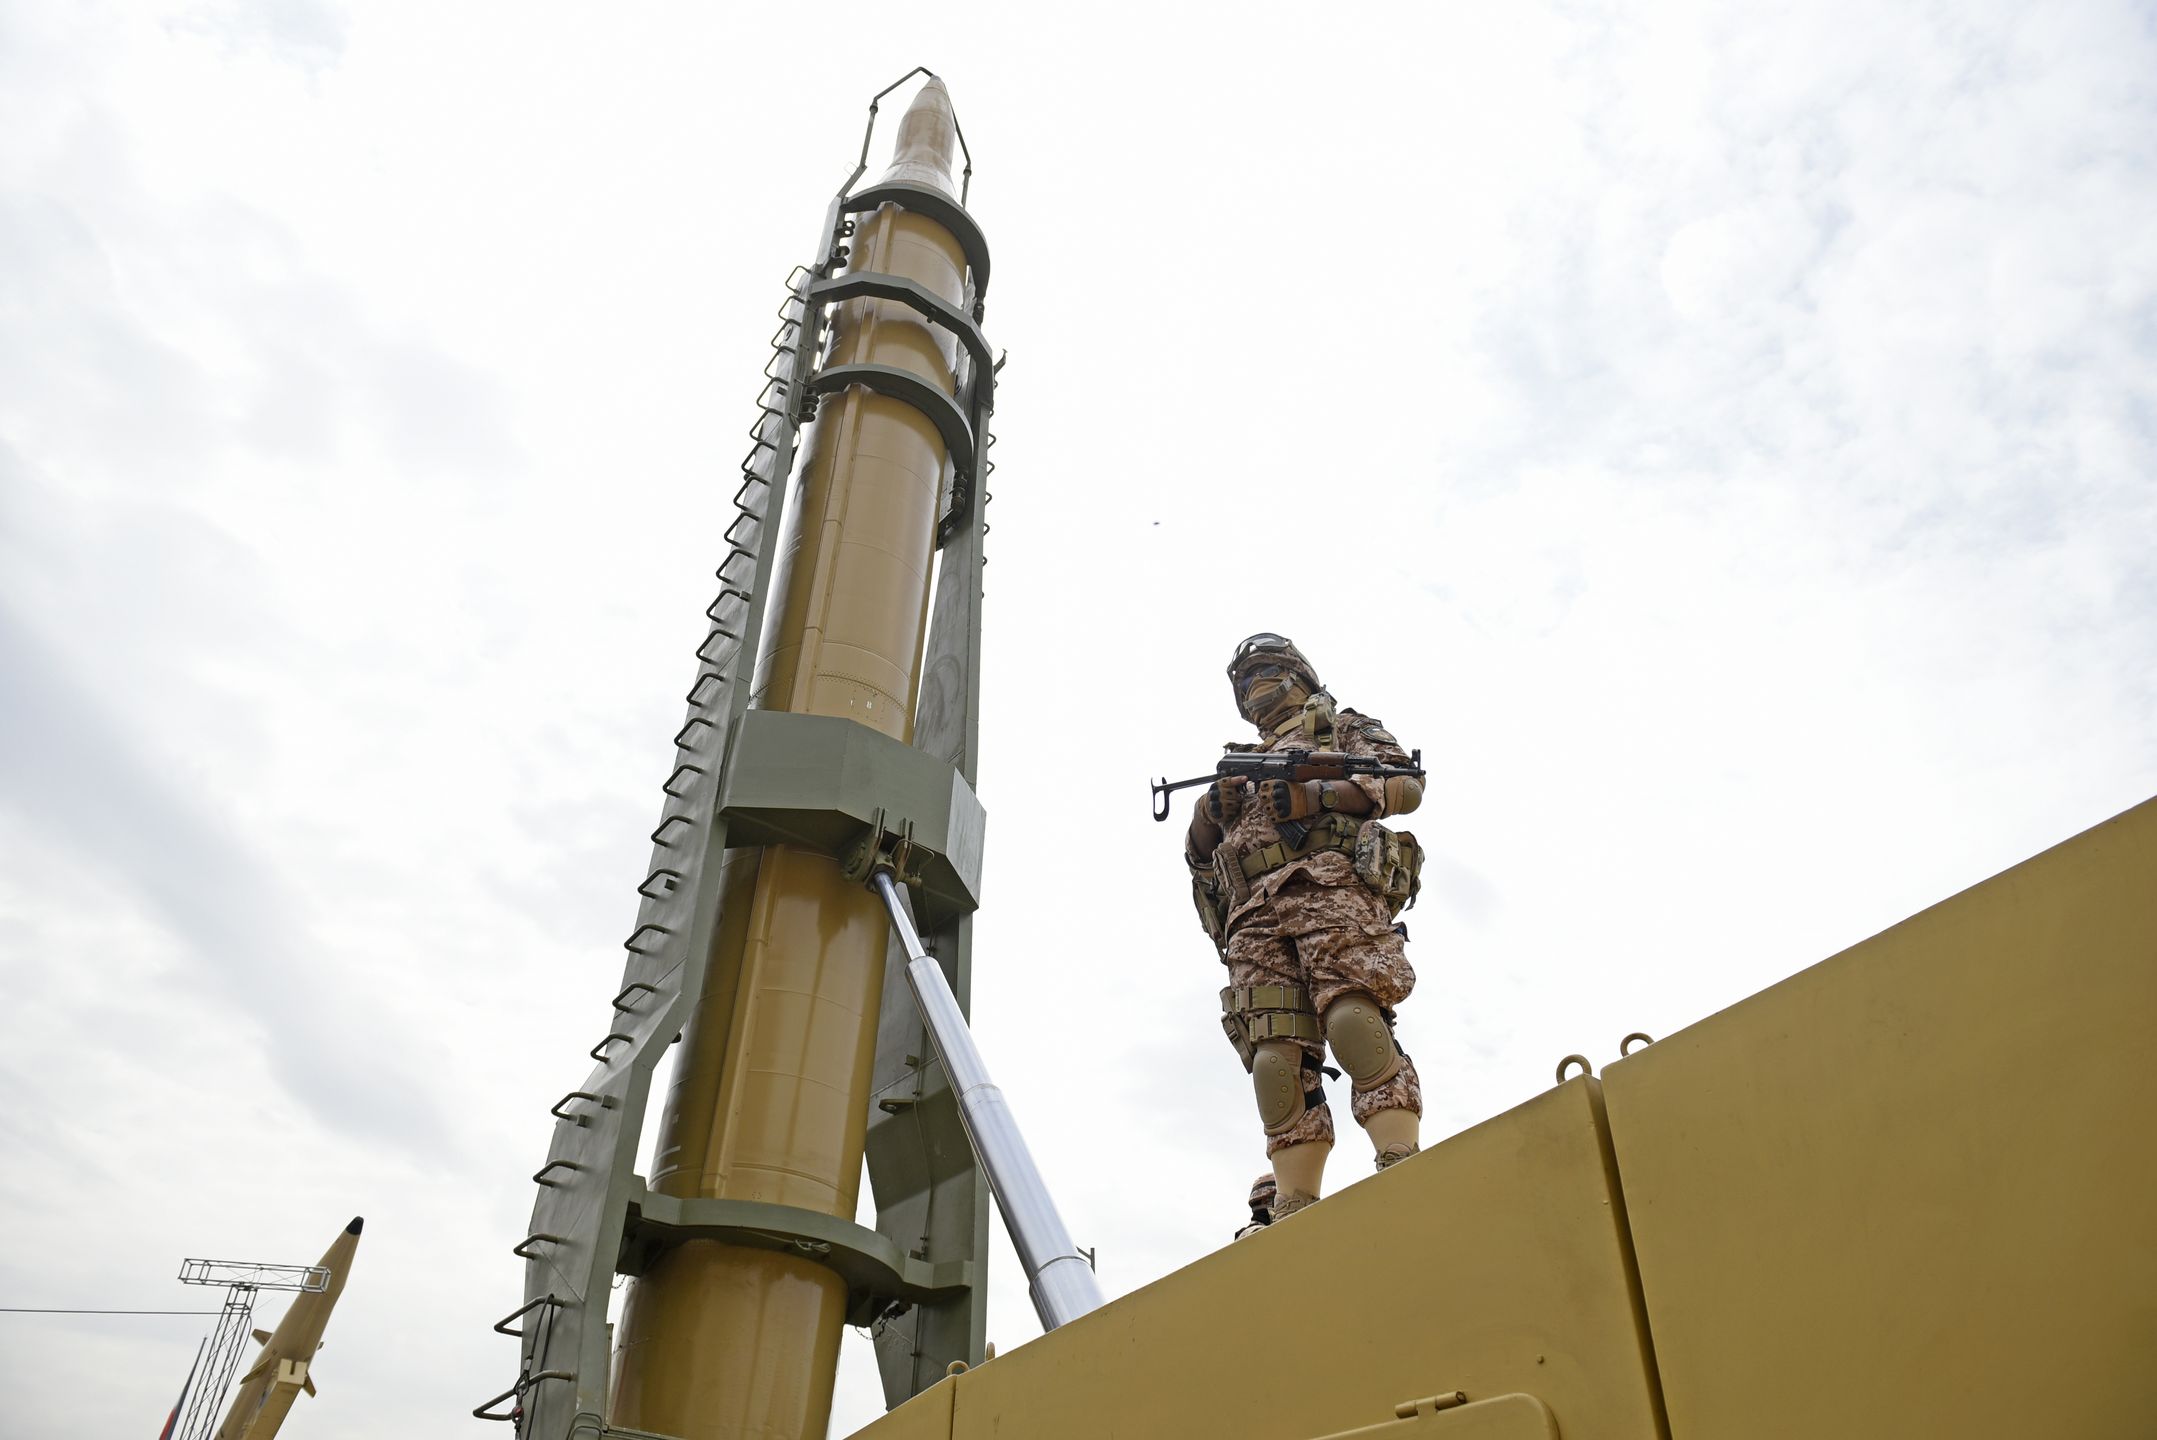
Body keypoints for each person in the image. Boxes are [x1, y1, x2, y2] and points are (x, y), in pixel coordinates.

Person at [1185, 634, 1426, 1223]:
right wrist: (1208, 815)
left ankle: (1400, 1157)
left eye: (1265, 671)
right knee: (1275, 1059)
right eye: (1245, 680)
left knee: (1351, 1018)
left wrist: (1316, 795)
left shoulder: (1341, 729)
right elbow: (1200, 857)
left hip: (1326, 887)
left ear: (1299, 675)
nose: (1255, 685)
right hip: (1251, 916)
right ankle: (1295, 1203)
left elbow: (1406, 784)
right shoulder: (1239, 762)